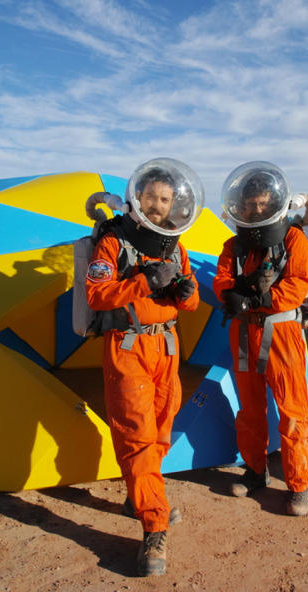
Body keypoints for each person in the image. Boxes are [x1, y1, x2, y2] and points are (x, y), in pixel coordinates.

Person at [85, 158, 203, 576]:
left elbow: (188, 303)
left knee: (161, 428)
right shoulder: (115, 241)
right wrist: (145, 282)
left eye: (165, 199)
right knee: (137, 434)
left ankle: (140, 492)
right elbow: (97, 294)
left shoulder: (174, 243)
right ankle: (154, 526)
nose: (158, 205)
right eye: (152, 197)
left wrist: (186, 292)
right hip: (129, 345)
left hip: (166, 346)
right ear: (139, 197)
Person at [212, 161, 308, 516]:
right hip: (244, 331)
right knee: (250, 409)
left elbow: (299, 283)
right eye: (250, 204)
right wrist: (232, 295)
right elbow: (222, 279)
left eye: (261, 203)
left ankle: (298, 484)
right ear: (240, 206)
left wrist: (259, 299)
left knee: (291, 411)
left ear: (273, 203)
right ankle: (256, 470)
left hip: (281, 331)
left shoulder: (293, 239)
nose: (255, 209)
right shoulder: (233, 245)